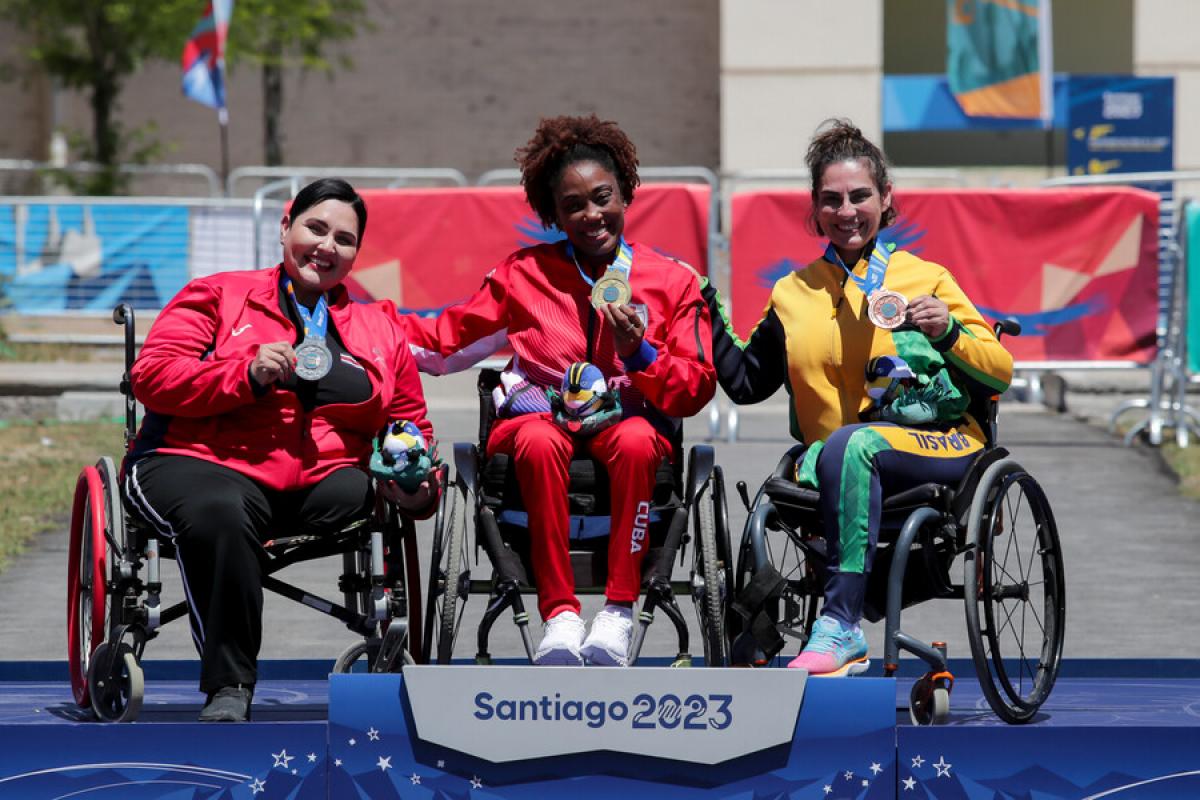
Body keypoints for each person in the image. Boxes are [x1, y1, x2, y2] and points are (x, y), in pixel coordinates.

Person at [403, 114, 716, 667]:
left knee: (642, 442)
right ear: (555, 215)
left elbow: (693, 388)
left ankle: (618, 612)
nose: (592, 215)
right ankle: (561, 615)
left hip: (630, 421)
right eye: (574, 205)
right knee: (537, 443)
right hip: (540, 418)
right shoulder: (524, 274)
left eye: (603, 197)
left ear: (626, 193)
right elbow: (444, 340)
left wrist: (639, 352)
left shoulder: (673, 281)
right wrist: (359, 329)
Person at [702, 120, 1013, 676]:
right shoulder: (793, 292)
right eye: (831, 199)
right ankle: (763, 644)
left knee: (856, 444)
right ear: (815, 209)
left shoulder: (925, 277)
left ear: (886, 198)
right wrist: (705, 311)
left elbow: (999, 373)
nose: (846, 211)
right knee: (840, 450)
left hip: (938, 446)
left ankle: (841, 624)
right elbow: (748, 384)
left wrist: (947, 333)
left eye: (860, 196)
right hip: (836, 461)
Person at [123, 178, 438, 720]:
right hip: (198, 461)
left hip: (320, 480)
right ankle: (229, 687)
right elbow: (152, 377)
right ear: (285, 225)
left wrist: (414, 481)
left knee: (372, 493)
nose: (327, 246)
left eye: (344, 239)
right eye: (315, 228)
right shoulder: (218, 293)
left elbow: (408, 424)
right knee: (219, 511)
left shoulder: (378, 327)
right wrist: (245, 373)